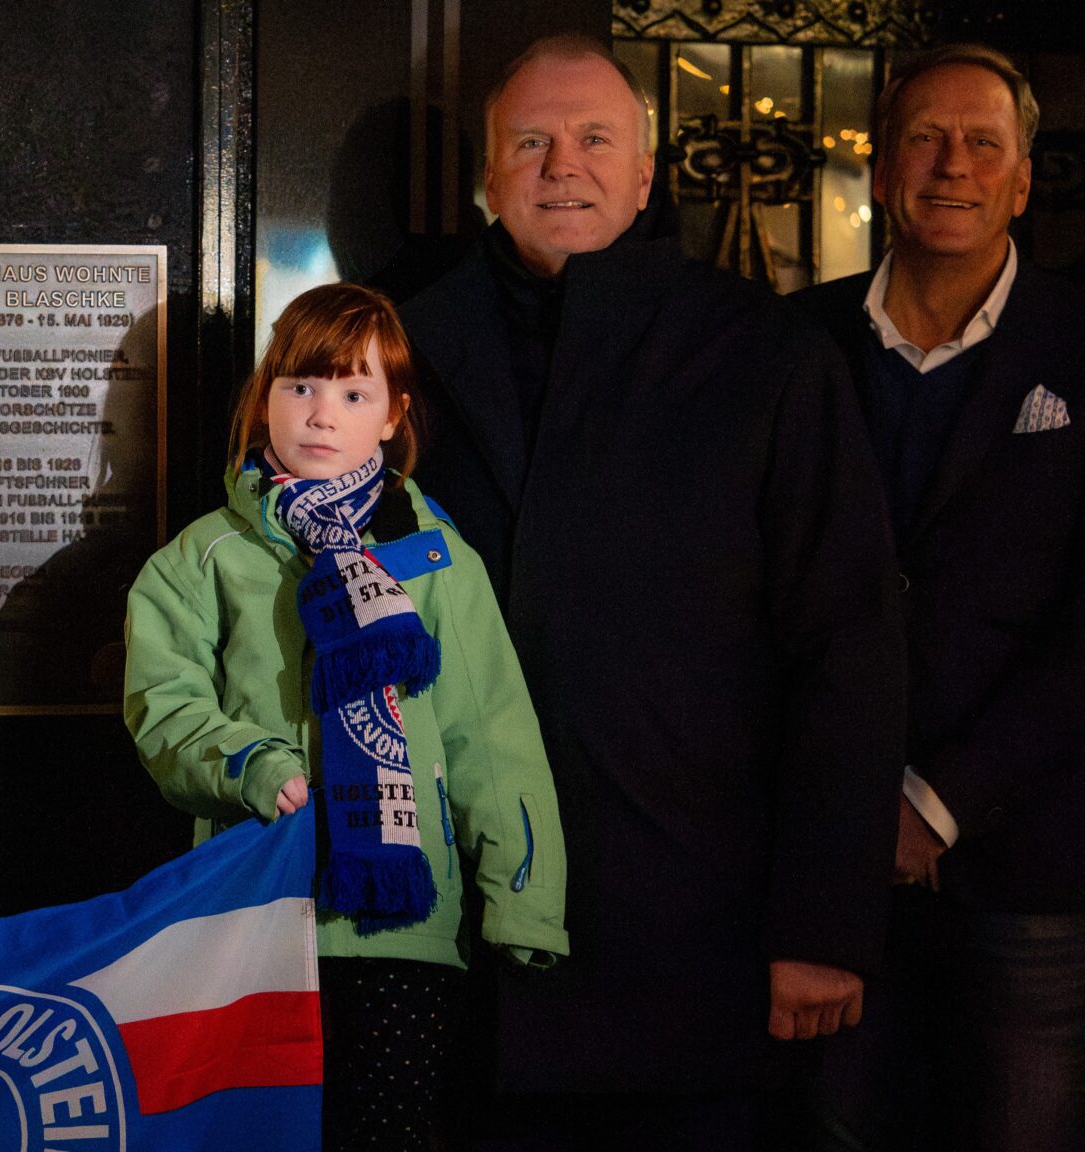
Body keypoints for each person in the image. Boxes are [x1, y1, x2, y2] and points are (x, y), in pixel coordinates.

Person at [394, 36, 905, 1149]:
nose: (560, 166)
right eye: (529, 142)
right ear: (487, 177)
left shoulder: (763, 355)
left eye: (593, 139)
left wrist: (823, 924)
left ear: (642, 175)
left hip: (689, 937)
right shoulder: (394, 356)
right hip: (448, 940)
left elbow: (847, 646)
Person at [125, 282, 569, 1151]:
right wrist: (249, 763)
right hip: (255, 913)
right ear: (265, 398)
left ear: (394, 416)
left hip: (408, 927)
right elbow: (164, 705)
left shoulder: (435, 558)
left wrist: (523, 901)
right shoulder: (205, 555)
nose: (322, 414)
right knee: (259, 1134)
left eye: (355, 393)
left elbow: (492, 735)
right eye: (300, 385)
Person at [793, 43, 1085, 1152]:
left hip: (1030, 866)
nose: (952, 164)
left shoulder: (1080, 346)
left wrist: (936, 802)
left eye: (982, 144)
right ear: (880, 170)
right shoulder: (790, 343)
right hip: (825, 866)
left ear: (1022, 180)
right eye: (924, 138)